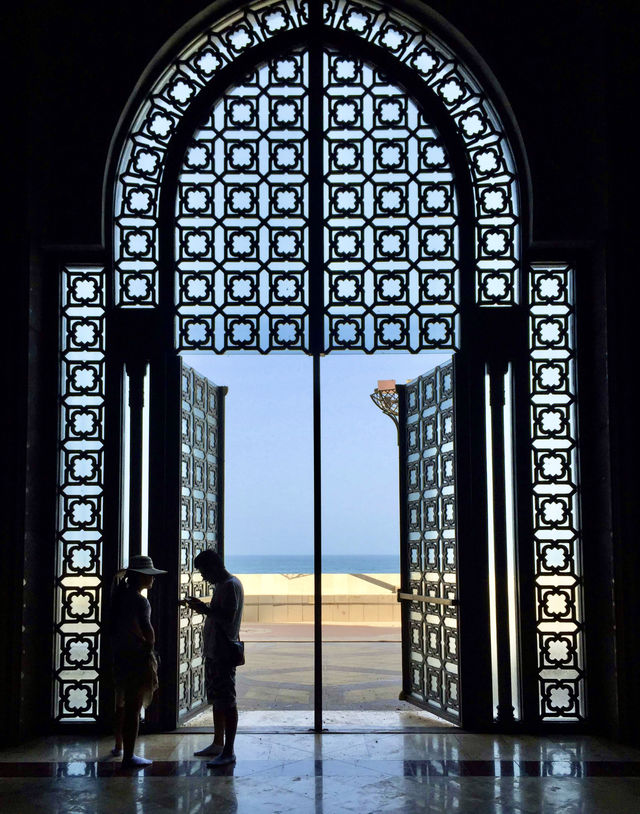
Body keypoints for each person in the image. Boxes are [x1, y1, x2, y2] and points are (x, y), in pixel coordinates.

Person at [181, 549, 244, 767]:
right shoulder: (225, 585)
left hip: (223, 653)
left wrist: (203, 609)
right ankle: (218, 743)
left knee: (227, 701)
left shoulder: (229, 586)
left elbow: (226, 616)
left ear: (214, 567)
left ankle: (229, 750)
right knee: (218, 700)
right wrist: (204, 608)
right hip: (216, 651)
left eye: (204, 572)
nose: (203, 577)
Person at [109, 554, 167, 768]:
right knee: (134, 707)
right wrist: (150, 645)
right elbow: (147, 630)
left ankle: (118, 746)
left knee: (120, 704)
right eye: (150, 576)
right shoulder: (140, 601)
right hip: (136, 656)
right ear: (142, 577)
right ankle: (129, 756)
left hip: (120, 654)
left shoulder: (118, 596)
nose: (153, 579)